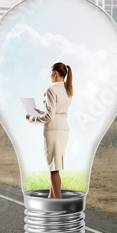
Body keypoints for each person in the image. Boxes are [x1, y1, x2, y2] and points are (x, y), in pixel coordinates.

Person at [25, 62, 73, 198]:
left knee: (53, 169)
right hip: (63, 129)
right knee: (54, 167)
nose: (50, 75)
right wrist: (39, 111)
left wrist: (32, 119)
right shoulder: (68, 90)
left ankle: (58, 204)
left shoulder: (51, 90)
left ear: (56, 73)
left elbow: (49, 116)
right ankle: (51, 200)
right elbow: (56, 112)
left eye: (51, 72)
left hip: (53, 130)